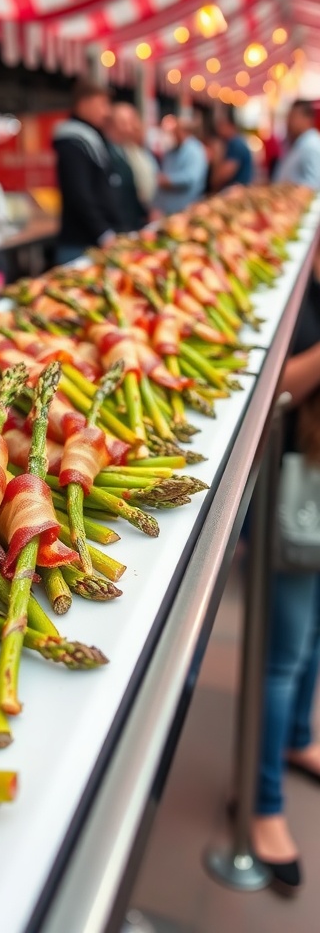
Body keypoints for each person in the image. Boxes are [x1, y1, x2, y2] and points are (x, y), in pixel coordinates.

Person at [252, 255, 320, 894]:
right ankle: (263, 804)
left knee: (315, 642)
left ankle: (300, 738)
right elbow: (276, 389)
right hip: (302, 492)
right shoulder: (298, 294)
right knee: (282, 657)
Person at [53, 79, 124, 264]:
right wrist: (103, 233)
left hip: (94, 241)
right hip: (82, 245)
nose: (107, 112)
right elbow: (77, 193)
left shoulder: (90, 137)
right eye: (102, 104)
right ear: (84, 104)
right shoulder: (72, 141)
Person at [106, 103, 149, 231]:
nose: (132, 127)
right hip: (118, 228)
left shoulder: (126, 150)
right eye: (126, 123)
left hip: (132, 224)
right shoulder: (106, 153)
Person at [154, 117, 208, 215]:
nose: (171, 134)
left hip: (185, 209)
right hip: (167, 210)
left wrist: (166, 180)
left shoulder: (194, 150)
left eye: (174, 131)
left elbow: (190, 178)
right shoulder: (171, 151)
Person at [275, 100, 320, 189]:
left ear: (307, 119)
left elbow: (315, 184)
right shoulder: (299, 141)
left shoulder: (312, 145)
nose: (288, 122)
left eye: (293, 117)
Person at [210, 106, 254, 190]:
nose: (218, 130)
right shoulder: (235, 142)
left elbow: (220, 178)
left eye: (221, 125)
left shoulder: (236, 144)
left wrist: (217, 155)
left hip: (236, 192)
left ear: (229, 125)